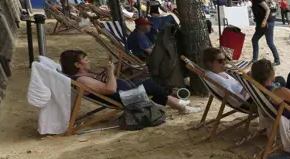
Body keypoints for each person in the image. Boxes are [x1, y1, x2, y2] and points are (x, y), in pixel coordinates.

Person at [60, 49, 197, 114]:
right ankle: (182, 108)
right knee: (150, 85)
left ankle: (177, 102)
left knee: (148, 83)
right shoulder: (82, 80)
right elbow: (110, 90)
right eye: (85, 59)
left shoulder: (82, 75)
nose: (88, 60)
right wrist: (110, 72)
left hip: (124, 92)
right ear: (77, 65)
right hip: (123, 98)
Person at [243, 0, 280, 66]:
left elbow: (268, 9)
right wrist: (258, 25)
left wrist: (264, 20)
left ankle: (277, 59)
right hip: (260, 24)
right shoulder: (253, 0)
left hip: (268, 22)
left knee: (269, 42)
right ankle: (255, 59)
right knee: (254, 39)